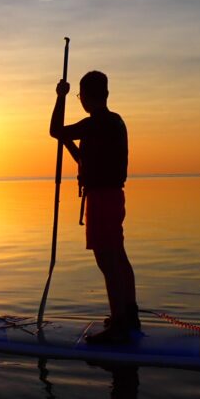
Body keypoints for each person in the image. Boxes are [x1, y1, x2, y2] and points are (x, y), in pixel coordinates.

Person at [50, 71, 139, 343]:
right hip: (114, 197)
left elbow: (54, 130)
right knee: (119, 256)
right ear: (107, 94)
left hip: (102, 199)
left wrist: (60, 97)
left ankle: (120, 325)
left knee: (107, 261)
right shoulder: (115, 122)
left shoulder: (94, 123)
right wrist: (68, 142)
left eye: (79, 95)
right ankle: (129, 315)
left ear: (85, 98)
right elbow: (84, 160)